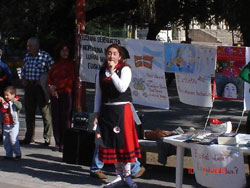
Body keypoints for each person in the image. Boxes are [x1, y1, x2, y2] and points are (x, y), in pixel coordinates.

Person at [89, 46, 145, 180]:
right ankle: (96, 168)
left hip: (122, 109)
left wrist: (113, 72)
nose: (111, 56)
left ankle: (133, 168)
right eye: (109, 53)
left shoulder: (125, 70)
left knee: (124, 140)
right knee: (103, 138)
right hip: (106, 110)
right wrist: (96, 113)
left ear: (119, 57)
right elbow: (98, 94)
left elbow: (122, 87)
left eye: (115, 54)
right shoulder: (101, 72)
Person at [20, 37, 53, 145]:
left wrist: (44, 80)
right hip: (29, 87)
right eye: (27, 45)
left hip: (40, 87)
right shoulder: (27, 57)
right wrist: (23, 78)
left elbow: (53, 70)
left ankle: (47, 138)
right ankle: (29, 136)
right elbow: (23, 70)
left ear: (36, 46)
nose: (28, 48)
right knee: (29, 113)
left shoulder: (45, 56)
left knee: (45, 113)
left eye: (30, 46)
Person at [47, 42, 75, 152]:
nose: (65, 52)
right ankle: (57, 142)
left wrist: (56, 87)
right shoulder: (55, 64)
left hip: (66, 93)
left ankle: (64, 142)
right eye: (63, 50)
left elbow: (71, 79)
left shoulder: (72, 64)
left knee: (66, 119)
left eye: (67, 50)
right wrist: (51, 88)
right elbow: (50, 78)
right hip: (55, 94)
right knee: (56, 119)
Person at [0, 86, 22, 159]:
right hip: (6, 125)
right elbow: (3, 109)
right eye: (5, 95)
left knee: (13, 140)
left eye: (7, 95)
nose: (6, 96)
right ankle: (8, 154)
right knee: (6, 141)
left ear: (13, 95)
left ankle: (18, 153)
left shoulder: (15, 102)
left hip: (13, 125)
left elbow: (20, 106)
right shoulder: (4, 103)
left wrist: (14, 101)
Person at [0, 48, 12, 142]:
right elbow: (9, 82)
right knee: (3, 115)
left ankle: (4, 136)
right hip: (3, 94)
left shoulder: (3, 67)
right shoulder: (5, 67)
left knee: (3, 115)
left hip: (2, 95)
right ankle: (4, 135)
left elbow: (8, 81)